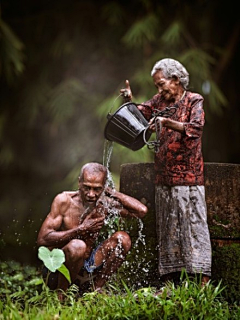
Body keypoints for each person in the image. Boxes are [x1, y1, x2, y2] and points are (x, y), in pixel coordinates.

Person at [120, 58, 212, 287]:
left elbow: (195, 129)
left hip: (189, 179)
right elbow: (141, 114)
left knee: (194, 227)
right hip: (163, 178)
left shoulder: (194, 100)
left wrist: (167, 123)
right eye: (157, 86)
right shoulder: (159, 101)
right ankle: (170, 284)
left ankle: (203, 283)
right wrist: (130, 102)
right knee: (167, 229)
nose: (159, 90)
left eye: (162, 84)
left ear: (176, 80)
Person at [37, 162, 148, 300]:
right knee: (78, 246)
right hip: (59, 269)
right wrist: (80, 229)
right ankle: (62, 296)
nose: (91, 194)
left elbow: (141, 211)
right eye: (87, 188)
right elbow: (42, 239)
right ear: (79, 183)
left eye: (97, 189)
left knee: (122, 239)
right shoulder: (64, 201)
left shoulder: (103, 204)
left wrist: (111, 192)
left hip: (88, 265)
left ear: (104, 187)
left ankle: (95, 290)